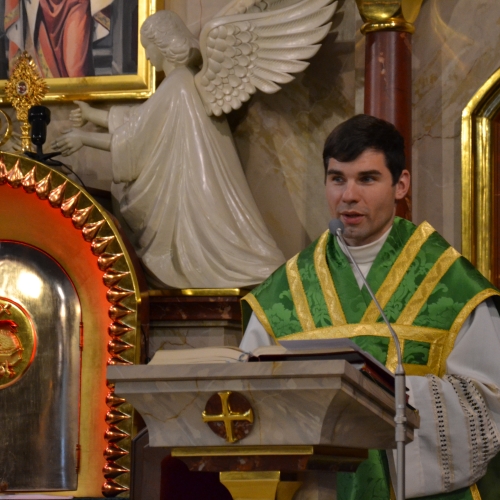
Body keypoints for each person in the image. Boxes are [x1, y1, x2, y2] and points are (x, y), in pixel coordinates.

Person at [240, 114, 500, 499]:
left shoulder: (452, 284)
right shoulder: (286, 291)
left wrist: (389, 400)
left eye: (367, 179)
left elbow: (488, 400)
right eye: (337, 179)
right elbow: (248, 397)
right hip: (316, 487)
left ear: (401, 184)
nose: (348, 195)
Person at [52, 10, 285, 289]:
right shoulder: (182, 81)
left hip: (193, 191)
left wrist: (83, 138)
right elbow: (140, 121)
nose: (148, 57)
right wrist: (92, 115)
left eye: (148, 48)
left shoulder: (176, 85)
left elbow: (135, 138)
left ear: (161, 45)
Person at [4, 0, 113, 78]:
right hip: (41, 5)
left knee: (76, 68)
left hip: (77, 3)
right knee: (45, 67)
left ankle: (78, 102)